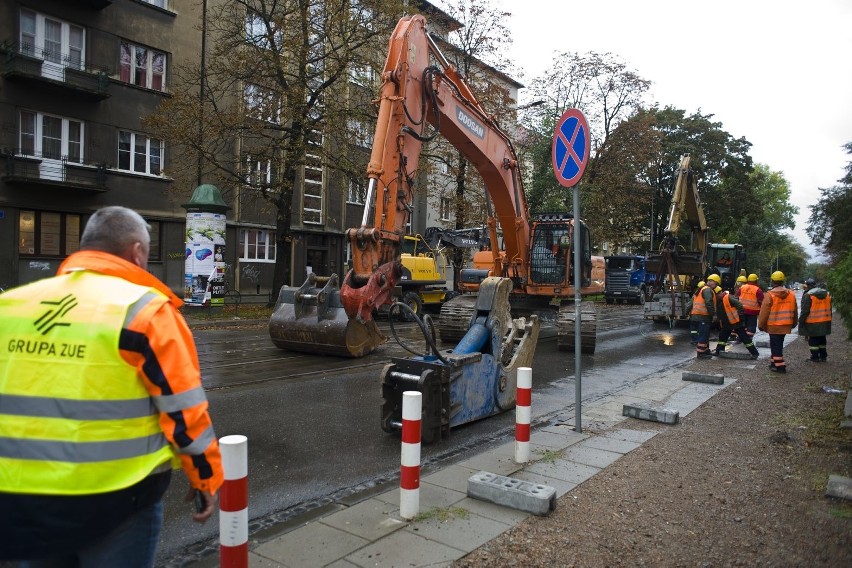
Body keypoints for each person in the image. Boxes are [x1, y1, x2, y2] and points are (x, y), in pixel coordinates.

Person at [0, 206, 224, 566]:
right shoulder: (145, 312)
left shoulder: (10, 306)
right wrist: (206, 478)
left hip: (17, 501)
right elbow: (184, 410)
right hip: (117, 501)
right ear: (137, 252)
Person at [757, 270, 798, 373]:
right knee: (778, 344)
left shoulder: (770, 295)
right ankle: (773, 363)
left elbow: (764, 312)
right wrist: (794, 323)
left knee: (775, 345)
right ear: (783, 281)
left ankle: (780, 366)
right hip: (786, 324)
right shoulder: (791, 294)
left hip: (774, 325)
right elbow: (795, 310)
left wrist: (761, 324)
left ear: (772, 281)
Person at [713, 285, 760, 359]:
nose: (714, 297)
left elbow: (739, 305)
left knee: (744, 338)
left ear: (718, 293)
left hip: (736, 322)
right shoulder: (719, 300)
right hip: (727, 322)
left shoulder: (728, 297)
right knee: (722, 336)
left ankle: (754, 353)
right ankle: (718, 351)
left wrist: (740, 316)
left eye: (714, 295)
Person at [798, 277, 832, 362]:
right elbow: (830, 308)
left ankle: (815, 356)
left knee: (813, 340)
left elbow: (805, 310)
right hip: (825, 320)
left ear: (808, 285)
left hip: (813, 321)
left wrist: (801, 321)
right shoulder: (826, 294)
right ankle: (823, 356)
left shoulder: (809, 295)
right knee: (822, 338)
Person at [690, 274, 720, 359]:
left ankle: (705, 350)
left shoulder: (700, 289)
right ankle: (701, 353)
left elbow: (691, 302)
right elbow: (709, 303)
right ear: (712, 282)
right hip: (703, 316)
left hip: (696, 315)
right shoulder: (707, 290)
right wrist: (713, 314)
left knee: (705, 334)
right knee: (703, 335)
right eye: (716, 283)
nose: (716, 286)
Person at [686, 280, 705, 344]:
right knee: (700, 328)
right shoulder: (706, 294)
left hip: (694, 315)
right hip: (702, 315)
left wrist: (686, 312)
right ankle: (699, 340)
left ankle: (694, 340)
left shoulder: (695, 295)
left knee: (694, 329)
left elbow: (689, 305)